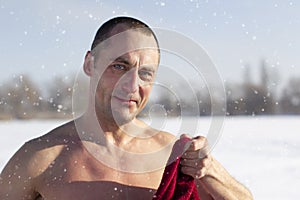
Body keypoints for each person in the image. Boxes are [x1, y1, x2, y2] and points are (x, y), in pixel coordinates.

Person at [0, 16, 253, 200]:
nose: (132, 85)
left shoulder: (173, 156)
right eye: (119, 66)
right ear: (90, 63)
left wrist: (211, 172)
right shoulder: (40, 158)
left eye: (145, 73)